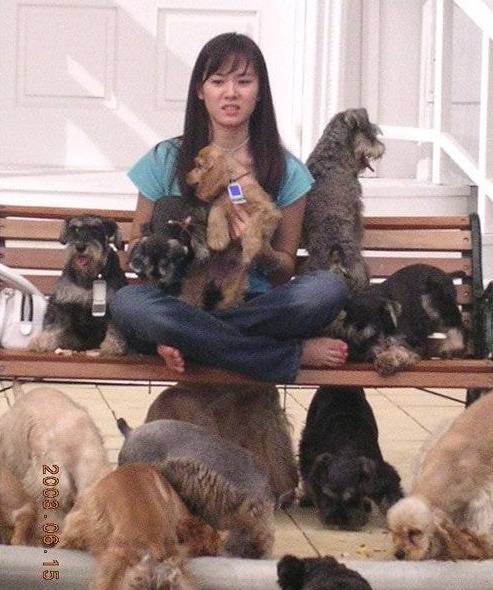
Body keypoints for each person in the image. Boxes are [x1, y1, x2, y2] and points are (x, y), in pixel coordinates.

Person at [111, 32, 348, 383]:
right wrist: (165, 249)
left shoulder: (286, 171)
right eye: (218, 81)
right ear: (200, 90)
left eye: (244, 81)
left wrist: (261, 251)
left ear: (260, 91)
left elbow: (283, 271)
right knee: (129, 303)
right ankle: (287, 355)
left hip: (252, 302)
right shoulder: (165, 159)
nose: (231, 93)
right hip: (181, 298)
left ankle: (191, 340)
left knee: (327, 289)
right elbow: (135, 246)